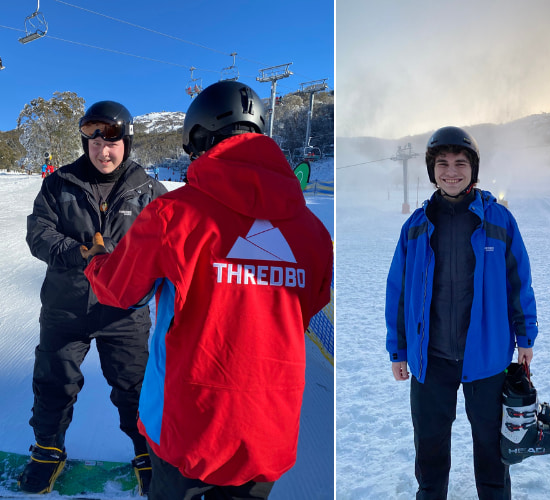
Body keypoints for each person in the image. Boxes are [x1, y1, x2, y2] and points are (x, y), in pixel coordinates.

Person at [83, 81, 333, 500]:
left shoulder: (172, 215)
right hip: (268, 434)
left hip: (187, 432)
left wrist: (96, 259)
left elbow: (117, 290)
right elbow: (308, 307)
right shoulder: (312, 232)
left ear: (199, 139)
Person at [21, 100, 167, 495]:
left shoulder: (149, 190)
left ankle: (145, 451)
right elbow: (39, 234)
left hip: (125, 310)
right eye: (95, 141)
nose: (104, 150)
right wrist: (80, 253)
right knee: (54, 381)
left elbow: (170, 244)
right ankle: (48, 449)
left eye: (113, 141)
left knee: (134, 386)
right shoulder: (59, 183)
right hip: (66, 307)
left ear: (127, 142)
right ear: (85, 142)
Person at [385, 126, 538, 500]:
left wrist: (525, 337)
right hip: (430, 359)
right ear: (431, 169)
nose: (451, 172)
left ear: (474, 168)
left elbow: (519, 280)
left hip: (486, 357)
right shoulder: (416, 227)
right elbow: (399, 293)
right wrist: (399, 349)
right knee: (430, 445)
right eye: (442, 164)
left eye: (460, 163)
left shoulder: (499, 221)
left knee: (490, 447)